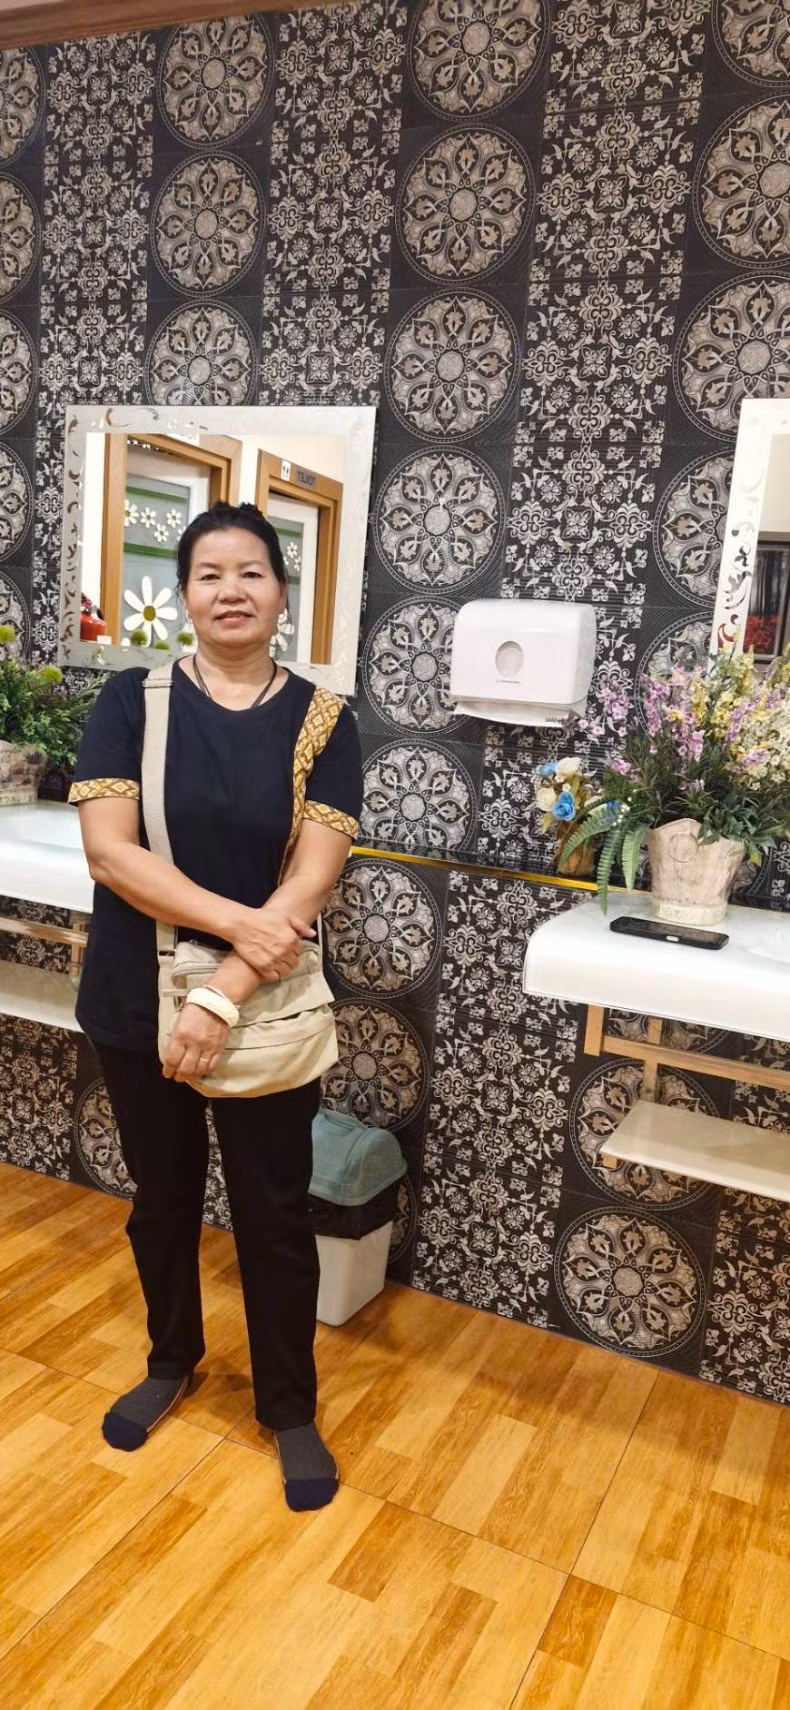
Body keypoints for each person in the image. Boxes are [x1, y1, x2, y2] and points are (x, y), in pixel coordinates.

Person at [69, 500, 363, 1513]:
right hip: (133, 994)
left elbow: (312, 877)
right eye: (208, 574)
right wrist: (242, 929)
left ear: (282, 592)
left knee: (273, 1215)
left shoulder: (323, 718)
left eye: (251, 572)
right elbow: (111, 854)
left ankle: (288, 1406)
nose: (230, 591)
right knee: (160, 1202)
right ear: (184, 594)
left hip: (262, 1004)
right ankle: (171, 1358)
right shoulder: (131, 701)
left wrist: (221, 994)